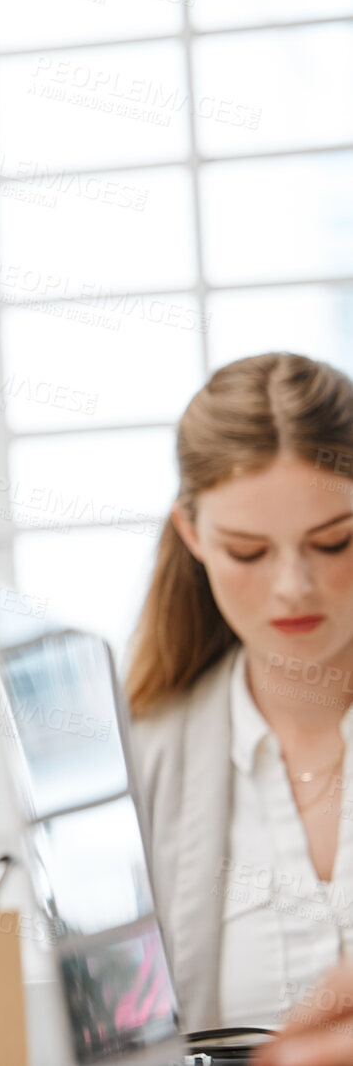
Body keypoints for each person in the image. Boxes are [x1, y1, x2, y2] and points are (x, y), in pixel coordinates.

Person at [128, 353, 353, 1032]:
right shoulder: (141, 757)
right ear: (192, 533)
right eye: (247, 551)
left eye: (334, 541)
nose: (291, 586)